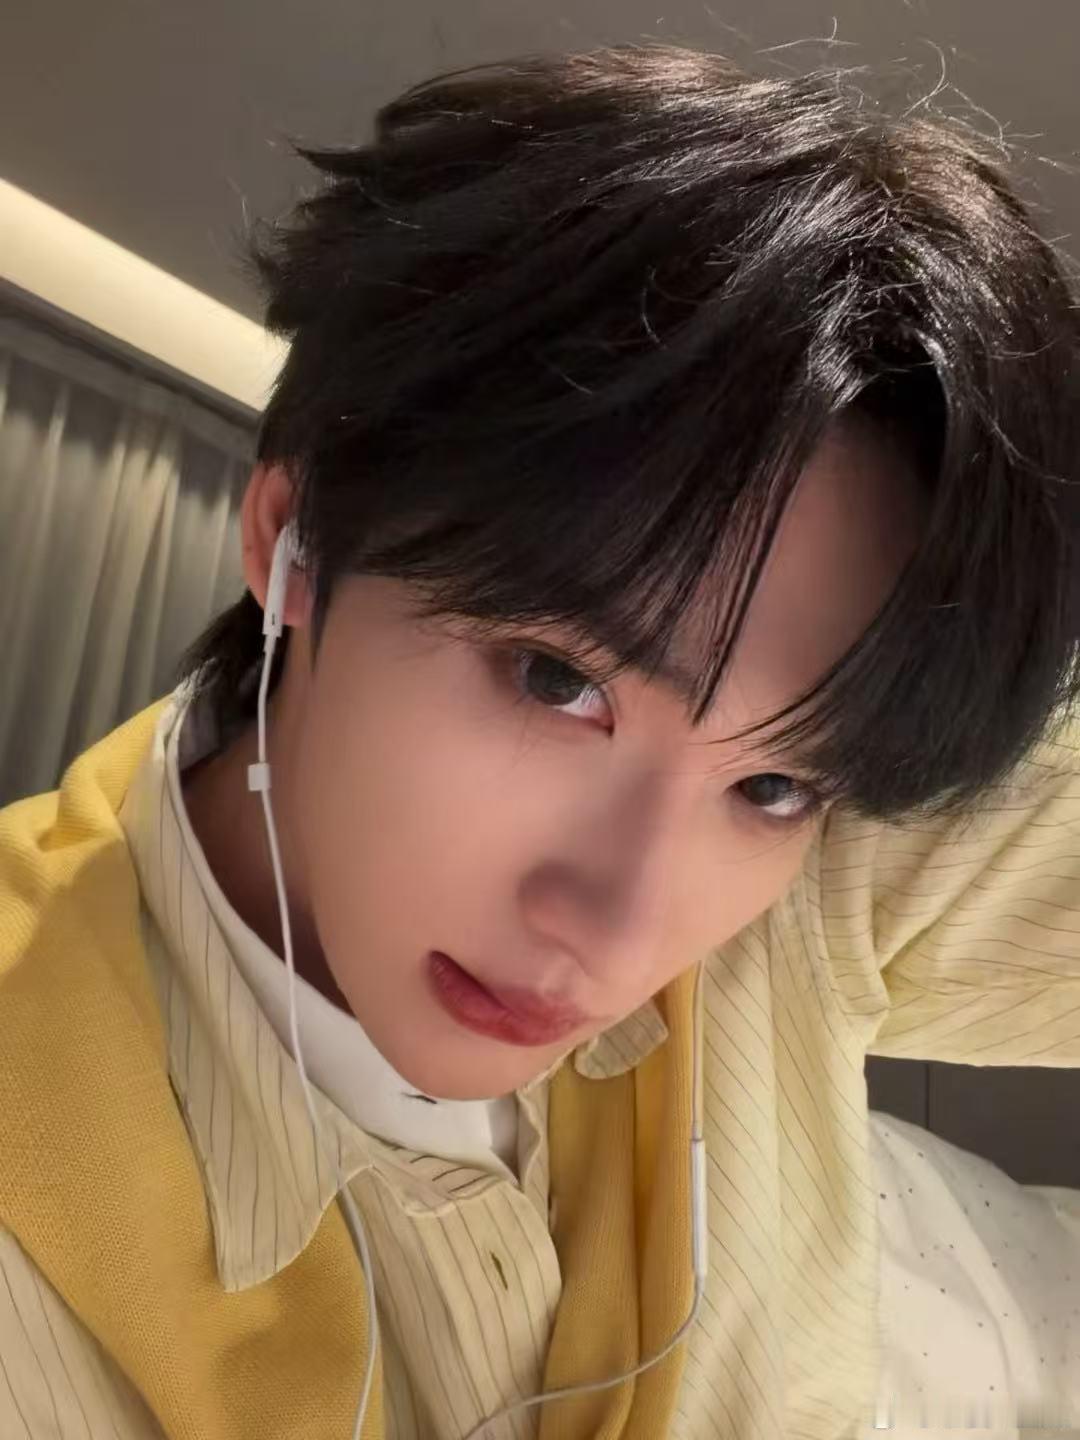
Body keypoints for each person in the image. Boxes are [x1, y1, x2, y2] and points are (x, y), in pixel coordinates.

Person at [1, 39, 1079, 1440]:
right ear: (294, 541)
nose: (618, 935)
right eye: (556, 680)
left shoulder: (823, 866)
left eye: (772, 782)